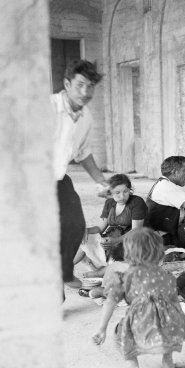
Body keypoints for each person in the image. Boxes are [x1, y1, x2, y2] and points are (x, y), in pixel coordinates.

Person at [92, 228, 185, 368]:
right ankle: (167, 360)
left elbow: (110, 302)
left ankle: (133, 367)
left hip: (140, 323)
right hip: (171, 325)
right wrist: (178, 319)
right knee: (170, 323)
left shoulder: (124, 277)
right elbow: (174, 300)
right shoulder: (167, 275)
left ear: (128, 253)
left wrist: (102, 328)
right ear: (159, 253)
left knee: (121, 333)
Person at [52, 59, 110, 290]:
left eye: (90, 86)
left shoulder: (86, 117)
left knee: (76, 225)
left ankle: (64, 272)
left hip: (58, 178)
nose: (85, 92)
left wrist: (100, 180)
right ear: (67, 84)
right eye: (80, 85)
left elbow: (83, 152)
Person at [76, 174, 147, 288]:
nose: (122, 196)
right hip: (112, 237)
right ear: (111, 192)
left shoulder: (137, 202)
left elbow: (136, 230)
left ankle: (99, 273)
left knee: (124, 263)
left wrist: (115, 240)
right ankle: (65, 268)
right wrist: (85, 230)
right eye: (117, 193)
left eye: (125, 191)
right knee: (82, 238)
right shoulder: (109, 203)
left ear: (130, 189)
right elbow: (100, 228)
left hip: (133, 240)